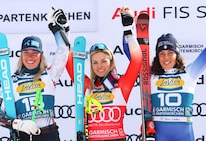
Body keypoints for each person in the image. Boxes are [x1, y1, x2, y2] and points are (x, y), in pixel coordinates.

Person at [49, 6, 141, 140]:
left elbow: (137, 61)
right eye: (95, 62)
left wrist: (129, 31)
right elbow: (68, 61)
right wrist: (65, 31)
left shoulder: (121, 86)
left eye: (103, 61)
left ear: (111, 62)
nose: (100, 66)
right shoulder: (87, 86)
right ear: (91, 65)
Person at [148, 1, 206, 141]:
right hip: (159, 135)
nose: (166, 58)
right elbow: (133, 56)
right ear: (157, 57)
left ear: (177, 55)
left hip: (184, 135)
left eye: (170, 53)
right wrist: (127, 31)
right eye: (162, 54)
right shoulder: (151, 76)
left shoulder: (190, 73)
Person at [0, 8, 70, 141]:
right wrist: (18, 124)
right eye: (26, 53)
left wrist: (58, 28)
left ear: (41, 56)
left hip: (49, 135)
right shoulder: (11, 81)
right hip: (23, 136)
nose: (30, 57)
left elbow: (63, 51)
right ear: (21, 55)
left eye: (35, 53)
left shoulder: (50, 75)